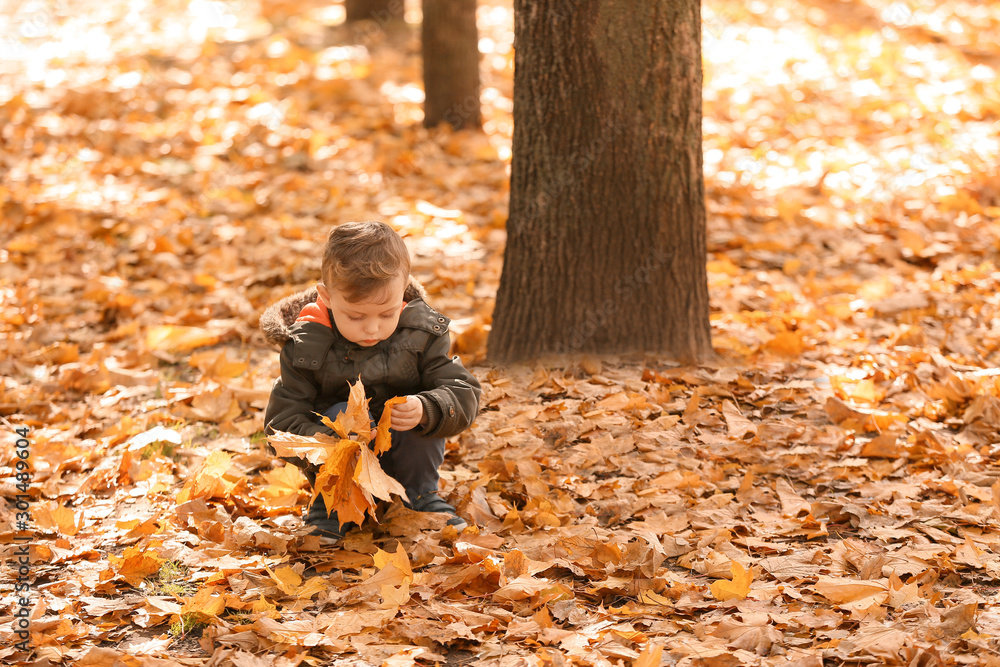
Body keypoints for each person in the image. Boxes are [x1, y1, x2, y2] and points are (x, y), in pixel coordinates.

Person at [259, 221, 481, 541]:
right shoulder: (305, 346)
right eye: (357, 317)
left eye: (386, 314)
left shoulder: (422, 333)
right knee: (338, 411)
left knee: (419, 402)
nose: (373, 329)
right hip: (339, 473)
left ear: (403, 294)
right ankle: (332, 505)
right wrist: (328, 437)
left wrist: (427, 407)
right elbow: (281, 424)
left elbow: (464, 391)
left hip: (405, 461)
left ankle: (420, 496)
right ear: (327, 297)